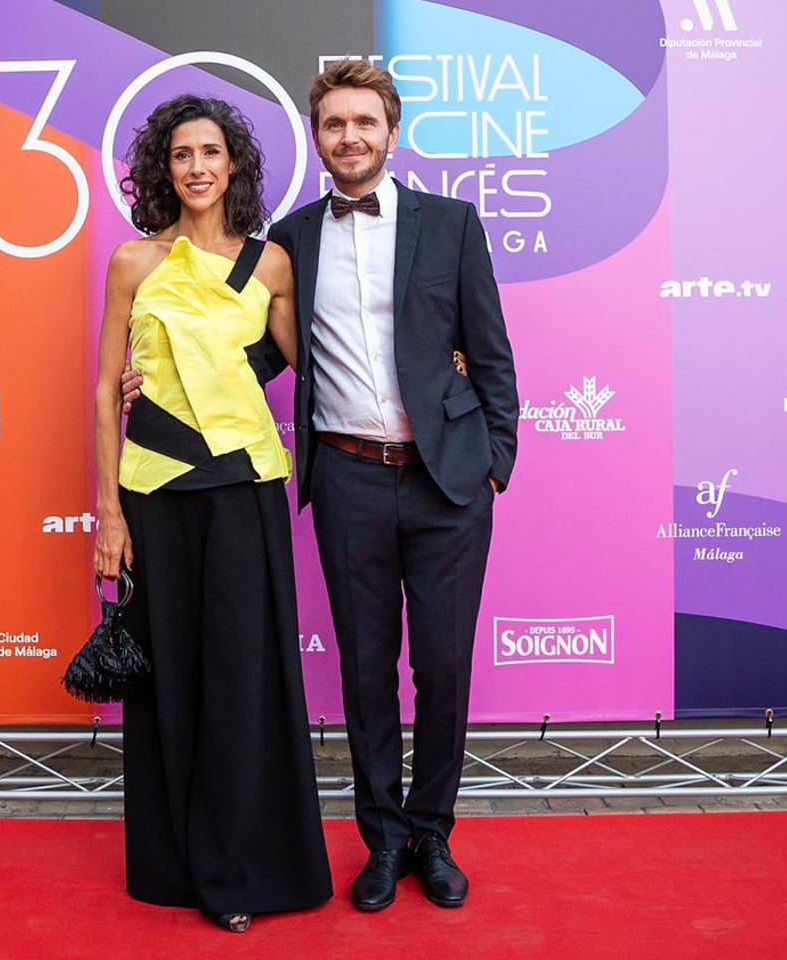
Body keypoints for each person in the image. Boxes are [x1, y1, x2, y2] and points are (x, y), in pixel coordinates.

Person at [263, 60, 518, 912]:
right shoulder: (293, 237)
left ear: (391, 131)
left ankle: (433, 833)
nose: (350, 138)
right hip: (346, 480)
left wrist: (495, 459)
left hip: (448, 485)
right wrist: (158, 371)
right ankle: (381, 840)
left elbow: (490, 352)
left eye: (364, 123)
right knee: (366, 673)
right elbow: (261, 345)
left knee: (443, 669)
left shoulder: (451, 224)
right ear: (318, 137)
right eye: (334, 125)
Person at [93, 94, 332, 933]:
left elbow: (310, 365)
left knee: (244, 678)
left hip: (245, 490)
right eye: (181, 154)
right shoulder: (132, 262)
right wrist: (108, 513)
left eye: (211, 152)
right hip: (155, 490)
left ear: (234, 166)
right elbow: (102, 387)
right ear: (166, 168)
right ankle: (173, 865)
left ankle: (240, 869)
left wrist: (437, 352)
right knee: (176, 680)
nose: (197, 167)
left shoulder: (270, 266)